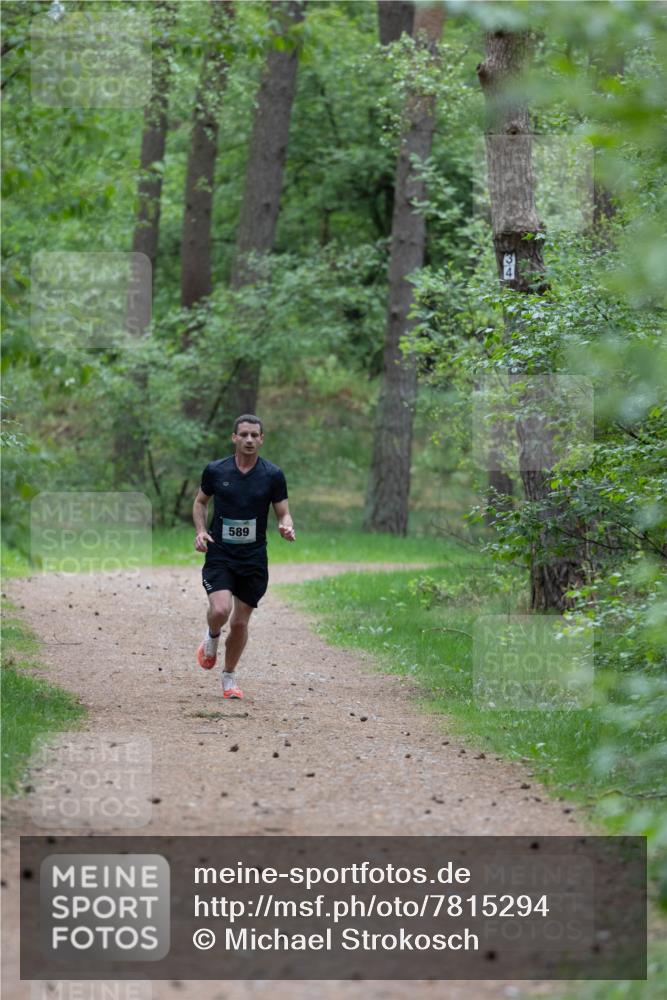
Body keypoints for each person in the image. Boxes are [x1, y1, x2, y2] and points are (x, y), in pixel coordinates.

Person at [192, 414, 295, 698]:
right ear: (234, 437)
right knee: (220, 610)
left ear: (261, 439)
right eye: (244, 434)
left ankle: (229, 676)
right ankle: (212, 635)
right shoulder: (216, 470)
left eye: (254, 435)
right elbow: (200, 502)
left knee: (239, 623)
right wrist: (201, 531)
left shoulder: (272, 475)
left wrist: (286, 525)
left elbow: (283, 512)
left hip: (253, 558)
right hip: (220, 552)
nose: (249, 440)